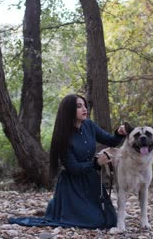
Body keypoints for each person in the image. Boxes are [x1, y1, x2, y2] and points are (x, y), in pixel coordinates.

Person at [9, 94, 126, 229]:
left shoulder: (89, 125)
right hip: (72, 185)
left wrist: (119, 133)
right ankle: (63, 208)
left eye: (84, 106)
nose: (84, 109)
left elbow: (111, 141)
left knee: (110, 219)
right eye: (78, 106)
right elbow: (73, 168)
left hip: (91, 182)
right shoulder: (63, 136)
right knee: (96, 222)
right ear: (69, 110)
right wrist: (96, 163)